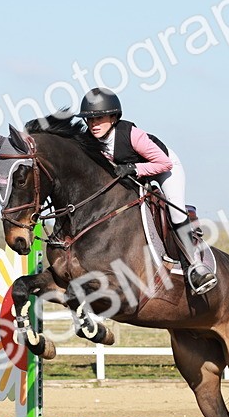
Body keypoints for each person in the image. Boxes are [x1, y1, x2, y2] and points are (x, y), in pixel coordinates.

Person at [77, 87, 217, 295]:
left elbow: (164, 163)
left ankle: (195, 265)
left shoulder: (131, 135)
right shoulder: (89, 141)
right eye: (89, 119)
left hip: (165, 168)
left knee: (175, 211)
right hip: (135, 175)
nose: (93, 124)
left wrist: (134, 168)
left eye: (99, 118)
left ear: (113, 117)